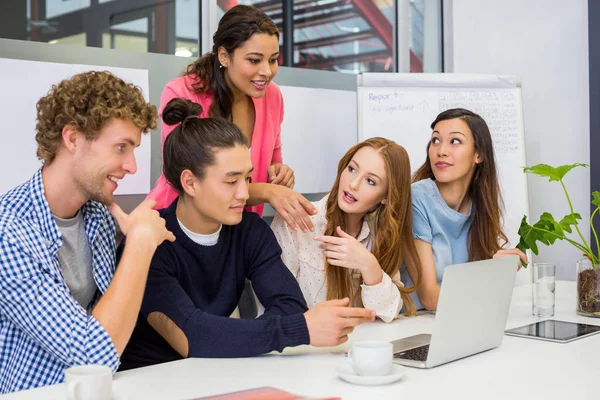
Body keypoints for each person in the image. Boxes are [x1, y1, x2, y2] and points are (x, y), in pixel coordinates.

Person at [119, 98, 376, 370]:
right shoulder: (150, 240)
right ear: (190, 182)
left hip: (219, 372)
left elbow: (289, 305)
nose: (244, 194)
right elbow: (192, 337)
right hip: (150, 381)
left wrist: (233, 337)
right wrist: (299, 329)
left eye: (248, 179)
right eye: (231, 182)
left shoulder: (249, 231)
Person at [0, 71, 175, 394]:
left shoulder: (99, 216)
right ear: (72, 138)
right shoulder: (8, 232)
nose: (132, 166)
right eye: (121, 147)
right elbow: (93, 356)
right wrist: (139, 243)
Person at [147, 4, 316, 232]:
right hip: (178, 227)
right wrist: (268, 191)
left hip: (237, 230)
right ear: (224, 56)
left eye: (273, 59)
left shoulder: (272, 96)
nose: (267, 71)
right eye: (254, 60)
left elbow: (273, 159)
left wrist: (278, 175)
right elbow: (191, 180)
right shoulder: (182, 92)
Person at [271, 138, 422, 322]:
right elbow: (279, 310)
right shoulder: (294, 222)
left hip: (356, 346)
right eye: (352, 169)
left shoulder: (380, 234)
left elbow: (389, 312)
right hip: (303, 345)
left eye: (370, 181)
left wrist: (369, 265)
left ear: (385, 197)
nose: (353, 184)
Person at [402, 108, 527, 311]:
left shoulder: (480, 206)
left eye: (455, 141)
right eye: (435, 140)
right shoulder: (416, 198)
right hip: (410, 323)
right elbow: (430, 297)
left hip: (455, 318)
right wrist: (488, 277)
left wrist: (500, 268)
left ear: (478, 155)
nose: (441, 150)